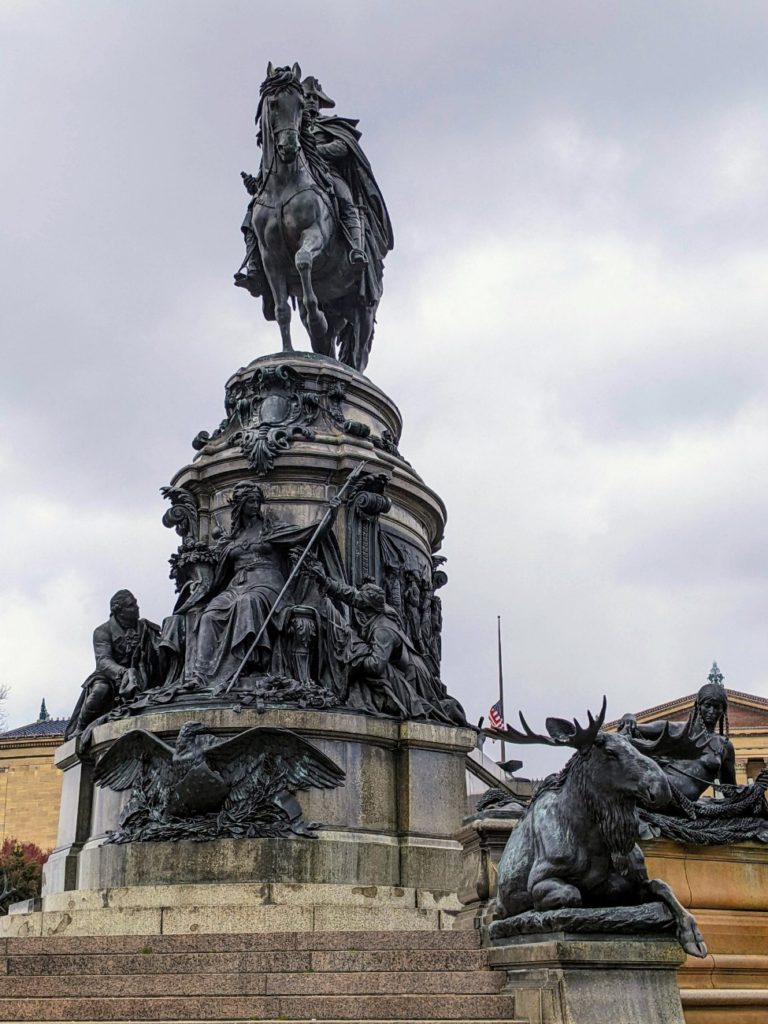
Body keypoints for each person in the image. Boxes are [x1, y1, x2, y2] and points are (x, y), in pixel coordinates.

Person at [236, 74, 393, 300]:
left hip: (327, 174)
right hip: (290, 180)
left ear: (320, 103)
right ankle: (253, 266)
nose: (310, 100)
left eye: (314, 98)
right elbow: (274, 160)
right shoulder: (291, 124)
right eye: (307, 96)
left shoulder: (332, 125)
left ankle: (355, 249)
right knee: (253, 210)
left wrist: (316, 152)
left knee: (345, 199)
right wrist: (257, 183)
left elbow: (344, 147)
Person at [182, 482, 342, 689]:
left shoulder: (271, 529)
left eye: (258, 501)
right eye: (250, 501)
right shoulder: (232, 537)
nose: (255, 506)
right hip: (237, 585)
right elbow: (219, 574)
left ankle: (249, 666)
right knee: (209, 615)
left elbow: (309, 533)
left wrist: (331, 515)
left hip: (267, 585)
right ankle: (200, 677)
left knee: (248, 603)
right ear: (240, 505)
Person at [619, 672, 736, 802]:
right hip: (660, 790)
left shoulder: (724, 746)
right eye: (707, 706)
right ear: (698, 706)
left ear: (723, 710)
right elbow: (635, 728)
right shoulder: (679, 729)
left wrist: (754, 791)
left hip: (685, 802)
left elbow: (729, 788)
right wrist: (629, 717)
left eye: (717, 707)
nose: (712, 711)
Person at [64, 590, 162, 739]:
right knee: (100, 690)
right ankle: (80, 728)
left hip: (140, 673)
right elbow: (103, 661)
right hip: (109, 676)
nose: (137, 607)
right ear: (119, 610)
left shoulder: (145, 628)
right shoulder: (102, 631)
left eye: (135, 603)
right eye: (131, 605)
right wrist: (123, 672)